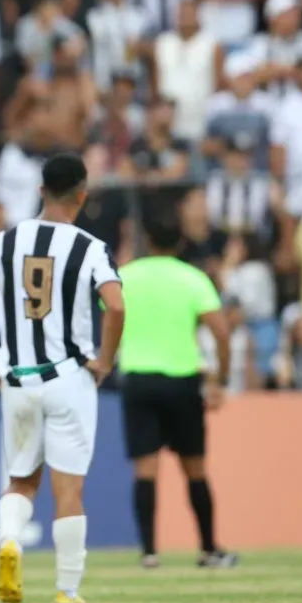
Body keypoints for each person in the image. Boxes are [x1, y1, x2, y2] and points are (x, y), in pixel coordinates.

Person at [0, 153, 125, 603]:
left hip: (18, 376)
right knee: (68, 489)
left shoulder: (5, 241)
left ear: (40, 190)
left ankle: (10, 540)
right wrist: (104, 360)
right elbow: (117, 305)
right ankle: (67, 589)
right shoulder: (89, 247)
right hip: (70, 375)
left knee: (21, 479)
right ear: (83, 195)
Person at [118, 210, 239, 569]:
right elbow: (220, 332)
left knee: (145, 469)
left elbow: (106, 313)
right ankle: (208, 549)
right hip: (183, 380)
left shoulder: (126, 276)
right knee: (195, 469)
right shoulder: (193, 278)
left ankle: (150, 553)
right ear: (181, 242)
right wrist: (220, 379)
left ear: (147, 241)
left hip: (138, 378)